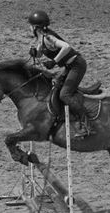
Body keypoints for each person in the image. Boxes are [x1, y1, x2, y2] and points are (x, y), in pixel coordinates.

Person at [27, 10, 92, 138]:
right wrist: (35, 53)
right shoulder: (41, 38)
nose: (29, 28)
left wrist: (54, 62)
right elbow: (40, 52)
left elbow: (66, 47)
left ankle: (87, 124)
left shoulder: (48, 37)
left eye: (30, 26)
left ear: (35, 27)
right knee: (55, 86)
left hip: (77, 65)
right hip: (69, 66)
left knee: (64, 95)